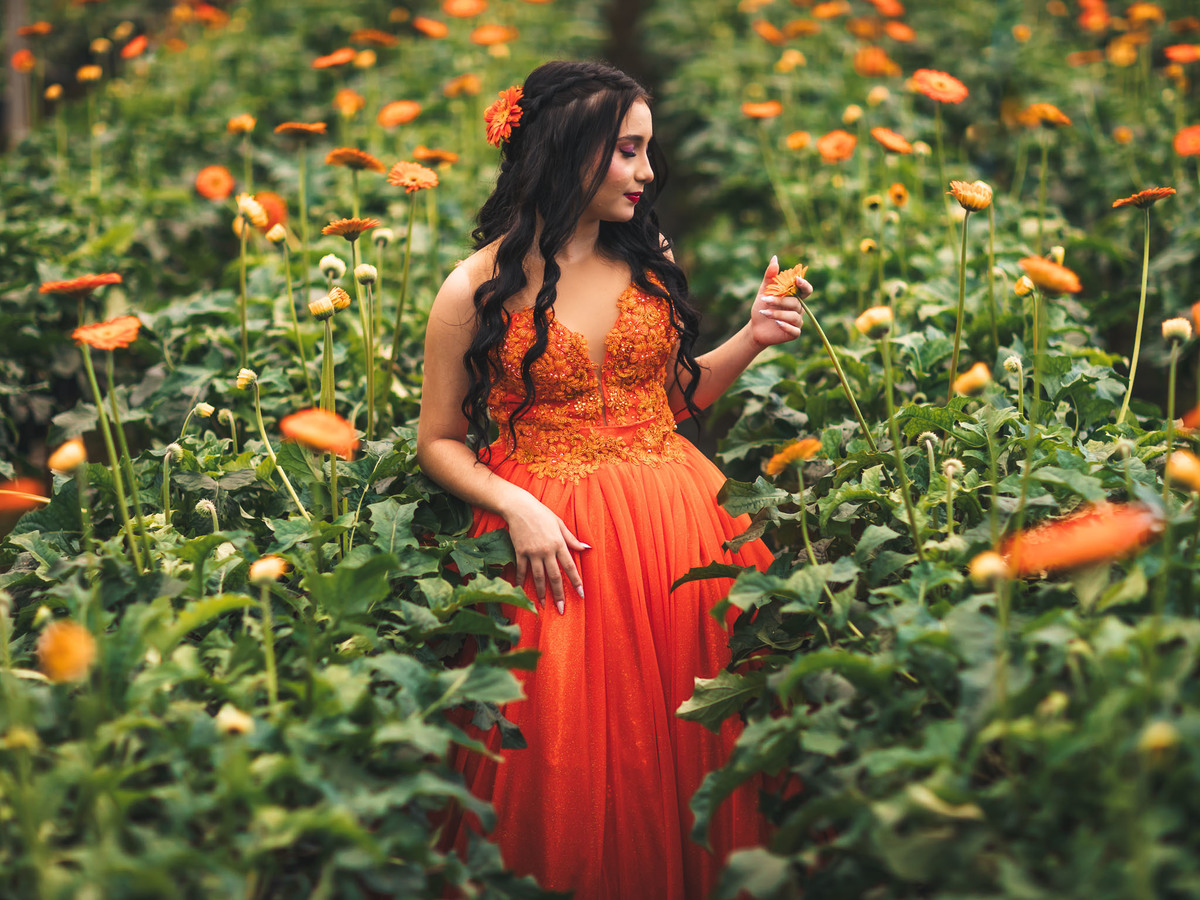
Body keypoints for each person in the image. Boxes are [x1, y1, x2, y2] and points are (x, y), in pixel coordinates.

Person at [417, 59, 810, 900]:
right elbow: (441, 441)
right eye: (628, 152)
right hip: (554, 541)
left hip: (682, 527)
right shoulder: (473, 288)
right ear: (570, 151)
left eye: (648, 151)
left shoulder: (649, 254)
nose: (647, 172)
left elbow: (670, 400)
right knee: (563, 750)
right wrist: (512, 501)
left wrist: (750, 338)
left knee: (699, 737)